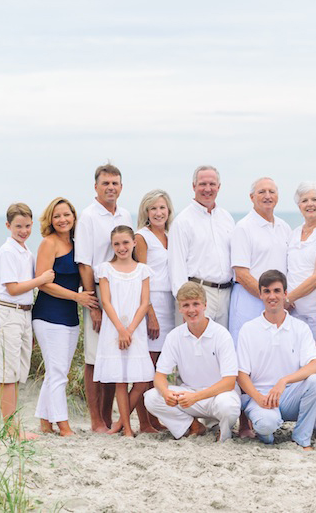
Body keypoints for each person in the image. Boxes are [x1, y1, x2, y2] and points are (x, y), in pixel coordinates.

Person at [237, 270, 316, 450]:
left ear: (285, 294)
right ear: (260, 294)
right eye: (267, 291)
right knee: (266, 425)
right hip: (260, 396)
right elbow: (240, 374)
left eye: (277, 291)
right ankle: (266, 430)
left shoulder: (299, 327)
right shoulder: (249, 329)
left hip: (289, 396)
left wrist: (284, 381)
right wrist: (259, 398)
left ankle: (302, 438)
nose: (272, 296)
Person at [32, 197, 98, 436]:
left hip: (70, 317)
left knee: (56, 371)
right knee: (59, 373)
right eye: (57, 216)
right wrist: (76, 297)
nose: (62, 220)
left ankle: (44, 422)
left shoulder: (76, 243)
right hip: (48, 316)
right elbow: (43, 283)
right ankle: (64, 425)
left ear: (74, 217)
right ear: (50, 219)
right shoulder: (48, 244)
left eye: (66, 215)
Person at [74, 162, 133, 433]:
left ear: (121, 187)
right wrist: (93, 305)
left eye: (115, 183)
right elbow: (84, 262)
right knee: (95, 357)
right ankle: (96, 420)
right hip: (98, 290)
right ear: (96, 186)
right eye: (106, 183)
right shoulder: (88, 216)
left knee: (114, 356)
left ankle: (110, 419)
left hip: (123, 288)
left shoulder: (125, 214)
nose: (111, 187)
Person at [144, 282, 241, 442]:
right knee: (152, 397)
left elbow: (229, 382)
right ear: (180, 308)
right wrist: (166, 392)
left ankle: (224, 435)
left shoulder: (221, 334)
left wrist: (196, 397)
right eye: (186, 305)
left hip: (217, 396)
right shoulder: (175, 336)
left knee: (228, 406)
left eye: (196, 304)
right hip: (188, 395)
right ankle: (193, 426)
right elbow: (160, 376)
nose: (191, 310)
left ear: (205, 305)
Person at [0, 203, 54, 440]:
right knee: (7, 373)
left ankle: (13, 425)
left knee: (17, 372)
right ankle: (10, 429)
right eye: (18, 226)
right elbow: (13, 288)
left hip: (23, 313)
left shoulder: (25, 251)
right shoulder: (7, 251)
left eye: (27, 226)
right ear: (8, 226)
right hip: (8, 312)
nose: (24, 230)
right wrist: (42, 279)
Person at [93, 225, 155, 436]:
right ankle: (128, 428)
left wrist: (130, 329)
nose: (122, 247)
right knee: (120, 379)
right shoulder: (105, 269)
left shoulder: (143, 270)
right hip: (114, 329)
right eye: (117, 244)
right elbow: (106, 302)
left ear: (134, 243)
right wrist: (120, 329)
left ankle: (120, 421)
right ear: (112, 245)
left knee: (142, 380)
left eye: (126, 242)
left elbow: (145, 302)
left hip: (135, 329)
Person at [168, 166, 235, 327]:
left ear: (219, 187)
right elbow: (176, 266)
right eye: (202, 184)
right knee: (194, 347)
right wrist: (186, 304)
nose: (207, 189)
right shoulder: (183, 221)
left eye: (212, 184)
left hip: (227, 295)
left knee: (220, 347)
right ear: (193, 186)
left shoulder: (227, 218)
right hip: (198, 294)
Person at [229, 177, 291, 344]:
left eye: (272, 192)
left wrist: (278, 299)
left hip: (275, 301)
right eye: (261, 192)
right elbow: (241, 274)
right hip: (249, 300)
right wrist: (268, 297)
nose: (267, 196)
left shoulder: (284, 227)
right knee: (246, 349)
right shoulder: (243, 228)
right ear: (252, 197)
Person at [133, 189, 175, 433]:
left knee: (161, 366)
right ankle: (144, 421)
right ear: (146, 212)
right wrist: (150, 313)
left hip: (171, 301)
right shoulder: (142, 237)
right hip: (152, 301)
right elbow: (142, 277)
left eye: (162, 208)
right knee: (147, 366)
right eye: (153, 209)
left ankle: (156, 417)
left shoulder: (171, 235)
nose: (158, 213)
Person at [286, 182, 316, 337]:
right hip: (291, 312)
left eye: (314, 199)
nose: (310, 204)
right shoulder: (293, 234)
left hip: (314, 313)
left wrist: (287, 299)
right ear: (299, 206)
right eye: (304, 200)